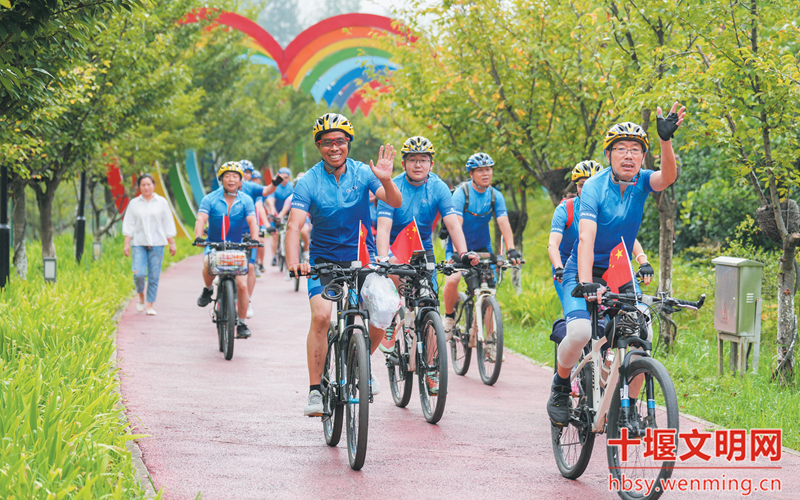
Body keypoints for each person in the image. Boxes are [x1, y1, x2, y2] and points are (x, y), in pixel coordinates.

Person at [547, 103, 684, 428]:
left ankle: (627, 409)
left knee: (641, 335)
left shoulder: (642, 182)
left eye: (635, 150)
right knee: (580, 332)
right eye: (621, 149)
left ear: (642, 157)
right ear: (609, 155)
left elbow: (668, 177)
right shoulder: (594, 187)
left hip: (619, 271)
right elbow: (586, 238)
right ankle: (561, 386)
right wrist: (586, 283)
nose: (628, 155)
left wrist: (665, 141)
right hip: (583, 271)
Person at [285, 112, 402, 417]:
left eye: (340, 141)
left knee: (384, 307)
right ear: (318, 146)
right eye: (327, 142)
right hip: (323, 262)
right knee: (322, 317)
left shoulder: (363, 173)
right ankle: (315, 390)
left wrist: (386, 179)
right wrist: (294, 262)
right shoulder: (308, 181)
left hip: (361, 258)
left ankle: (361, 363)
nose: (334, 147)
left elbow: (394, 201)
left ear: (348, 143)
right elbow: (294, 226)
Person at [375, 136, 476, 365]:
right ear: (404, 164)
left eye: (423, 160)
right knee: (395, 280)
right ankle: (392, 317)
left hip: (423, 251)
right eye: (412, 160)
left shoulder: (438, 187)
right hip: (395, 249)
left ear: (431, 164)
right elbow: (383, 228)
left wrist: (463, 254)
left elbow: (452, 224)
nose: (418, 165)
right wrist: (383, 258)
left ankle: (431, 368)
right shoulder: (392, 187)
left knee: (428, 305)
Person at [441, 152, 521, 346]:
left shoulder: (495, 196)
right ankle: (449, 318)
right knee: (453, 278)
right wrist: (459, 253)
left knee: (489, 290)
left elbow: (504, 224)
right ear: (471, 174)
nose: (486, 174)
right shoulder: (462, 194)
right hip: (459, 245)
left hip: (483, 246)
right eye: (480, 170)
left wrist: (511, 249)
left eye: (488, 169)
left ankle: (491, 342)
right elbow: (456, 225)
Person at [194, 161, 260, 339]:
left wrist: (255, 239)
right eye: (227, 176)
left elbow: (252, 221)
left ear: (240, 181)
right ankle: (208, 289)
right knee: (207, 263)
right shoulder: (210, 199)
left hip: (236, 247)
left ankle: (242, 323)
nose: (231, 179)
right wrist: (198, 237)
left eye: (235, 176)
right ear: (221, 179)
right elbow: (201, 219)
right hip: (214, 245)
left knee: (242, 285)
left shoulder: (246, 200)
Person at [122, 173, 177, 316]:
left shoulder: (162, 202)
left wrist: (172, 243)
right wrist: (126, 243)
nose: (146, 187)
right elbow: (129, 224)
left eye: (149, 184)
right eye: (143, 185)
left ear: (153, 185)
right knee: (139, 273)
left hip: (157, 244)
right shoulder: (134, 203)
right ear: (139, 187)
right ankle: (141, 295)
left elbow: (167, 223)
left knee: (154, 275)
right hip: (138, 243)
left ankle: (150, 304)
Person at [266, 167, 294, 266]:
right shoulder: (275, 186)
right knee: (275, 234)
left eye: (286, 177)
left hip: (288, 211)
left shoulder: (292, 187)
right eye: (282, 177)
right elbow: (271, 202)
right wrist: (273, 214)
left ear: (289, 178)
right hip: (276, 212)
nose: (284, 179)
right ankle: (274, 256)